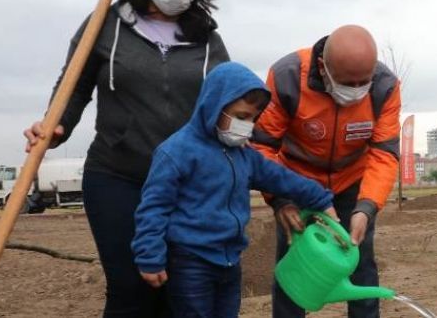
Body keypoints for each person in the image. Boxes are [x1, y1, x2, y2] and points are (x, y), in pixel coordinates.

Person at [22, 0, 229, 316]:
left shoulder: (207, 38)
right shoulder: (106, 23)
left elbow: (227, 101)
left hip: (184, 184)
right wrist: (56, 127)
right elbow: (74, 86)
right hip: (118, 175)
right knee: (132, 285)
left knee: (179, 287)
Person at [131, 62, 338, 318]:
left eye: (253, 118)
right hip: (190, 262)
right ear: (214, 105)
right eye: (241, 117)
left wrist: (320, 199)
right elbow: (154, 207)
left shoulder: (243, 155)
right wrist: (149, 255)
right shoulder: (177, 152)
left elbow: (281, 178)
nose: (247, 125)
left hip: (230, 260)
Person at [251, 25, 401, 318]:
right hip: (295, 182)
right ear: (323, 67)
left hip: (353, 182)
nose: (356, 91)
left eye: (363, 82)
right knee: (295, 259)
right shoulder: (287, 77)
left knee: (360, 261)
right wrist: (281, 199)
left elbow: (383, 154)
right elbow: (263, 147)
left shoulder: (385, 86)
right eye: (348, 82)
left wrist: (366, 207)